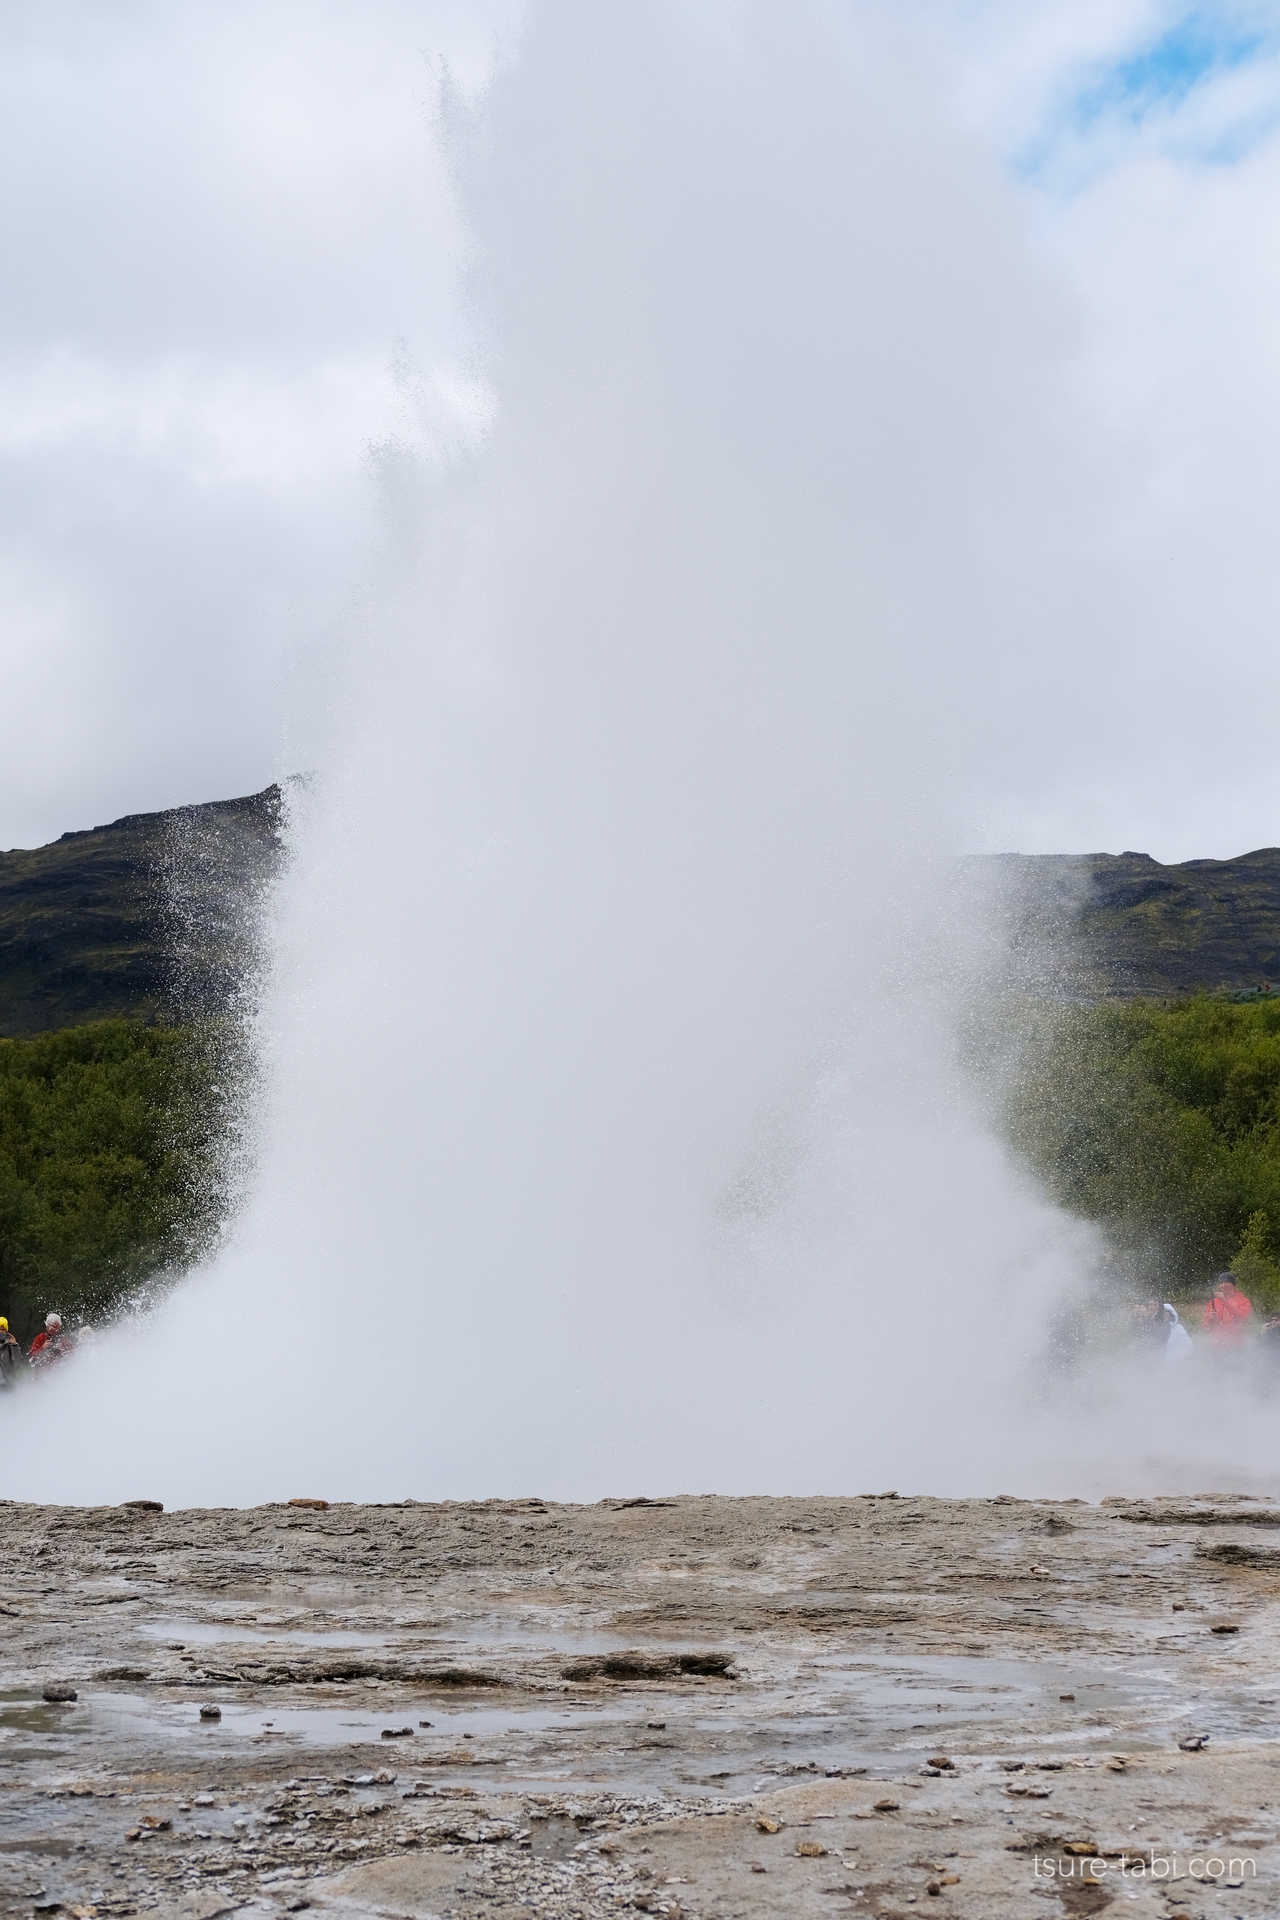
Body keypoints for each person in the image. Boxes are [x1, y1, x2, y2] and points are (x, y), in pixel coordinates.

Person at [1202, 1273, 1252, 1347]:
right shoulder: (1213, 1302)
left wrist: (1224, 1300)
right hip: (1216, 1346)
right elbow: (1205, 1328)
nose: (1223, 1285)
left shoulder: (1243, 1301)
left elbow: (1241, 1317)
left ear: (1233, 1285)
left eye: (1226, 1282)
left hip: (1235, 1346)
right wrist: (1210, 1319)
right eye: (1221, 1283)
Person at [0, 1316, 22, 1387]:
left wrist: (15, 1345)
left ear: (6, 1332)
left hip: (7, 1383)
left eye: (3, 1329)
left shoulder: (10, 1345)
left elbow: (18, 1362)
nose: (1, 1331)